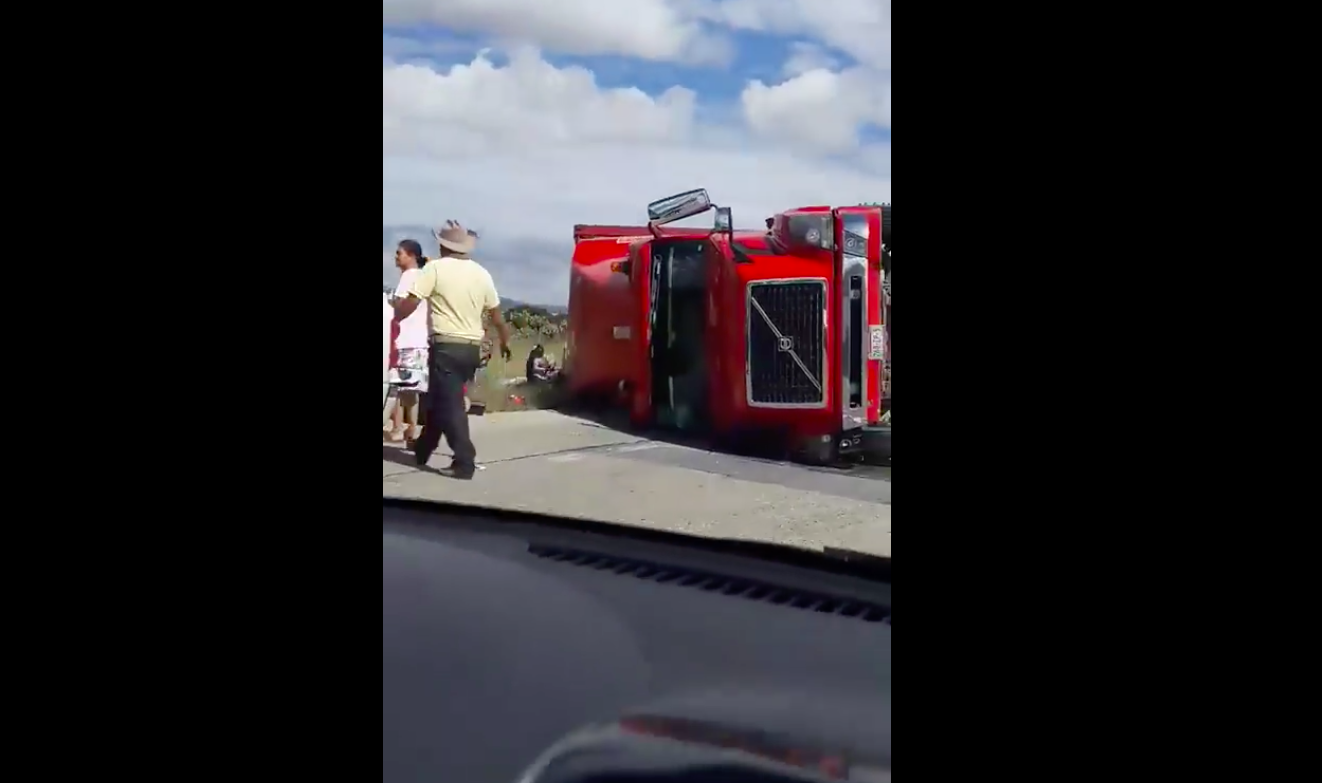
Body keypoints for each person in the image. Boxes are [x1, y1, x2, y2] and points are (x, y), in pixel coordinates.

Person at [393, 220, 512, 480]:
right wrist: (505, 342)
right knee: (439, 400)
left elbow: (411, 303)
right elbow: (497, 316)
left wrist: (396, 313)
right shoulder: (482, 274)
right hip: (471, 350)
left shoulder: (435, 269)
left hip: (445, 346)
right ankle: (423, 449)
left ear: (442, 244)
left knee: (450, 405)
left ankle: (464, 462)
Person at [385, 240, 431, 443]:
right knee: (410, 389)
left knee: (396, 385)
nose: (396, 257)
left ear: (411, 255)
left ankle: (400, 428)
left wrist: (390, 302)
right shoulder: (423, 276)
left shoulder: (409, 276)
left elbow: (400, 306)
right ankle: (408, 430)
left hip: (406, 339)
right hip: (419, 340)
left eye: (399, 253)